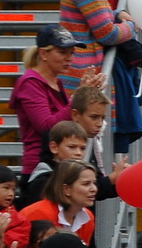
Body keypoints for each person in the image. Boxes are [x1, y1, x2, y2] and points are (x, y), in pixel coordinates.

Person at [10, 27, 87, 176]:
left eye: (72, 53)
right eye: (62, 52)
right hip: (41, 170)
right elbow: (47, 127)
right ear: (43, 53)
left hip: (59, 166)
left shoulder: (56, 81)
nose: (69, 58)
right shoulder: (30, 83)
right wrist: (78, 98)